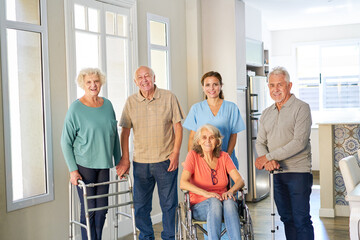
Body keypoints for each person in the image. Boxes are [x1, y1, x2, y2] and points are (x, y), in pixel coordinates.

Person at [116, 66, 184, 240]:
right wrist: (125, 158)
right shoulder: (131, 102)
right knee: (140, 206)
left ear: (154, 78)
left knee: (168, 205)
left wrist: (175, 153)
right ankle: (146, 237)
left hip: (165, 161)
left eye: (147, 76)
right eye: (140, 77)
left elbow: (178, 126)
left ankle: (169, 237)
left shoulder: (169, 97)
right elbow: (125, 132)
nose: (144, 80)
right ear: (135, 81)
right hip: (141, 163)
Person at [61, 68, 121, 240]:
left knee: (102, 210)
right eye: (89, 82)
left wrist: (119, 162)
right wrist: (73, 170)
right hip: (84, 165)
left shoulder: (107, 105)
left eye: (96, 81)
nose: (93, 85)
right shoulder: (76, 108)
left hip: (104, 165)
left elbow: (114, 135)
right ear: (83, 84)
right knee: (89, 210)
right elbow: (65, 141)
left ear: (101, 82)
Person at [255, 66, 314, 240]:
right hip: (276, 173)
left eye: (280, 84)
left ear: (289, 85)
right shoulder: (266, 113)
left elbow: (299, 143)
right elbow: (260, 142)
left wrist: (268, 157)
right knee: (287, 219)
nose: (276, 89)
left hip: (298, 172)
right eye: (272, 85)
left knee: (301, 219)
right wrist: (268, 162)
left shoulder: (302, 108)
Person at [180, 124, 244, 240]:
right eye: (204, 137)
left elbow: (240, 180)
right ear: (198, 141)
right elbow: (183, 183)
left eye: (212, 137)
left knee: (229, 202)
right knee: (214, 202)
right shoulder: (192, 156)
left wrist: (231, 191)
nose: (208, 141)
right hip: (200, 206)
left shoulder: (224, 157)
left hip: (223, 203)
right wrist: (206, 194)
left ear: (217, 141)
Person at [183, 71, 245, 169]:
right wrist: (191, 160)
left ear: (221, 86)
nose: (211, 88)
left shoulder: (231, 107)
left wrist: (227, 158)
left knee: (228, 184)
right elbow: (192, 138)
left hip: (226, 159)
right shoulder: (196, 108)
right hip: (203, 161)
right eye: (207, 85)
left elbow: (233, 136)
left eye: (215, 84)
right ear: (203, 87)